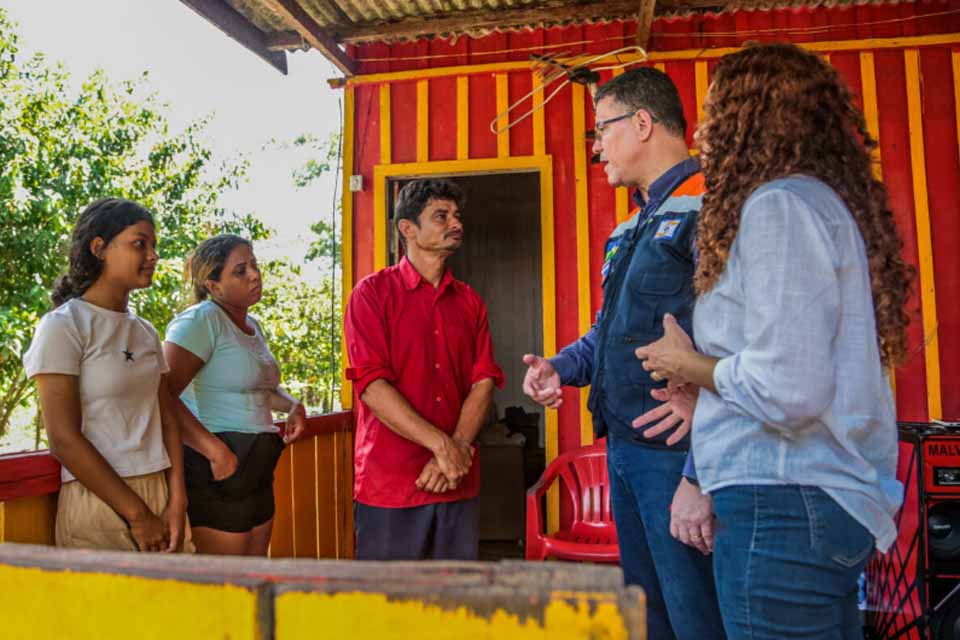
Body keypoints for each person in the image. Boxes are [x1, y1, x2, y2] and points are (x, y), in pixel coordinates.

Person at [634, 43, 912, 639]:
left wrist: (690, 363)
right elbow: (787, 369)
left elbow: (788, 387)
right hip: (804, 502)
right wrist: (709, 393)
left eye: (716, 111)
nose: (702, 130)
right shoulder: (811, 203)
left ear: (752, 119)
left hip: (784, 503)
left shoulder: (778, 207)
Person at [521, 68, 725, 640]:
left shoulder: (710, 206)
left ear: (641, 123)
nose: (595, 147)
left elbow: (739, 341)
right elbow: (608, 335)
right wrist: (559, 367)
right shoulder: (628, 228)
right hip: (626, 451)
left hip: (678, 457)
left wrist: (701, 463)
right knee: (650, 615)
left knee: (696, 618)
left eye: (601, 129)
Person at [344, 178, 504, 561]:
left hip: (456, 481)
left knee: (455, 594)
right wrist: (444, 447)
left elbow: (483, 382)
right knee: (390, 596)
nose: (456, 224)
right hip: (391, 484)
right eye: (441, 216)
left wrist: (455, 451)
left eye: (456, 215)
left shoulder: (470, 302)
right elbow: (371, 385)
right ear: (408, 229)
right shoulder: (370, 294)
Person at [24, 198, 192, 553]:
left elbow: (168, 422)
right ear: (99, 248)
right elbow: (63, 439)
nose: (153, 256)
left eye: (154, 245)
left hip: (159, 492)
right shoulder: (64, 326)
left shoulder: (145, 331)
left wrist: (177, 501)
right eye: (139, 243)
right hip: (98, 499)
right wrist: (138, 516)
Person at [163, 234, 305, 556]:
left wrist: (293, 406)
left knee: (254, 572)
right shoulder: (200, 321)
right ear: (213, 285)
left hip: (256, 466)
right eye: (240, 271)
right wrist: (214, 452)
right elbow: (162, 396)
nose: (254, 275)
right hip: (218, 464)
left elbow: (258, 388)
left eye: (254, 265)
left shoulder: (251, 324)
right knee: (226, 579)